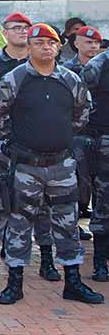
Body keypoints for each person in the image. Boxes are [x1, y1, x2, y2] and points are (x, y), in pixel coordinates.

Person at [0, 23, 103, 305]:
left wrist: (58, 134)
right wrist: (15, 138)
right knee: (19, 223)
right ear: (29, 48)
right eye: (39, 43)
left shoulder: (70, 80)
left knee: (67, 222)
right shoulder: (15, 78)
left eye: (51, 43)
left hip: (62, 164)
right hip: (26, 165)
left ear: (58, 47)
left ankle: (72, 282)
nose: (46, 47)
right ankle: (15, 283)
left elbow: (82, 113)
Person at [0, 12, 60, 282]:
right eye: (16, 28)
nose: (22, 32)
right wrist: (8, 129)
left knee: (43, 205)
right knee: (0, 202)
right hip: (4, 146)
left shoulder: (45, 63)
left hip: (40, 149)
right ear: (5, 32)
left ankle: (46, 260)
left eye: (26, 28)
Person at [64, 26, 103, 242]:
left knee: (101, 183)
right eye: (88, 42)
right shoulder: (67, 70)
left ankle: (100, 226)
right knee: (78, 183)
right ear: (76, 43)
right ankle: (73, 226)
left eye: (96, 43)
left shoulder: (105, 67)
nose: (93, 47)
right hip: (78, 135)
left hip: (101, 134)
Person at [81, 27, 109, 281]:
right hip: (104, 143)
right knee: (104, 202)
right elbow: (79, 101)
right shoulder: (98, 65)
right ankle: (100, 262)